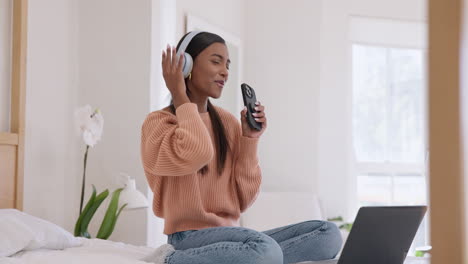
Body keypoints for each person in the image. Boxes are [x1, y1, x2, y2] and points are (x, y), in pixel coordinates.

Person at [140, 31, 342, 264]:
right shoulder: (159, 123)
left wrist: (250, 139)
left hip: (232, 236)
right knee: (265, 251)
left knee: (327, 235)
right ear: (185, 66)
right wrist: (179, 94)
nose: (225, 71)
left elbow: (243, 199)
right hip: (188, 237)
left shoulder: (227, 122)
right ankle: (171, 259)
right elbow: (197, 152)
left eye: (227, 64)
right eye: (216, 61)